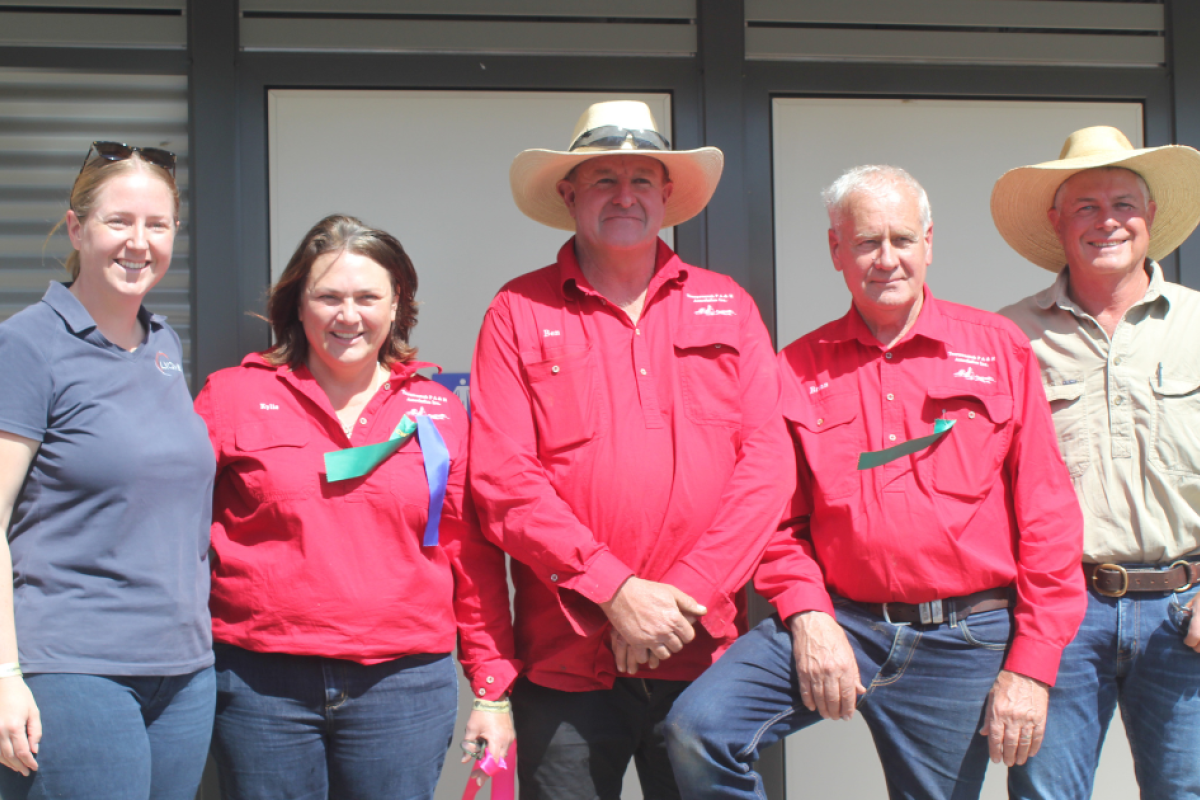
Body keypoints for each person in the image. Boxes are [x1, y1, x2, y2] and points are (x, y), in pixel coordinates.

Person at [666, 165, 1088, 799]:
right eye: (866, 242)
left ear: (929, 243)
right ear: (836, 249)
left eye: (902, 240)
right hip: (844, 622)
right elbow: (777, 523)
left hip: (964, 637)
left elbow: (1049, 517)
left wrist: (1030, 666)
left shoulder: (998, 349)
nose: (886, 259)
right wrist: (808, 616)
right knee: (698, 731)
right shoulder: (795, 367)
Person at [469, 100, 793, 799]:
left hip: (701, 656)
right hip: (565, 660)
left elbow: (768, 466)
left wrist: (682, 600)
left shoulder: (726, 305)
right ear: (570, 194)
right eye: (604, 179)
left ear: (667, 196)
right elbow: (502, 481)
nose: (625, 196)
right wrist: (613, 591)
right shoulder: (518, 312)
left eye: (643, 180)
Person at [194, 214, 519, 800]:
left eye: (368, 297)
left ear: (397, 306)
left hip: (402, 687)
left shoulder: (439, 409)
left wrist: (491, 688)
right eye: (328, 297)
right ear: (297, 304)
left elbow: (470, 554)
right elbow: (177, 532)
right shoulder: (232, 395)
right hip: (260, 683)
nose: (349, 315)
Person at [0, 142, 216, 800]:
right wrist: (4, 675)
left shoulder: (163, 343)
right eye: (118, 221)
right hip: (72, 671)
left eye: (157, 225)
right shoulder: (29, 343)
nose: (138, 242)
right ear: (76, 228)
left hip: (183, 673)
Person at [993, 126, 1200, 800]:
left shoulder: (1198, 326)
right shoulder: (1009, 337)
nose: (1106, 221)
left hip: (1187, 610)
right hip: (1060, 616)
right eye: (1085, 206)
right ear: (1057, 223)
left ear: (1151, 218)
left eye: (1122, 204)